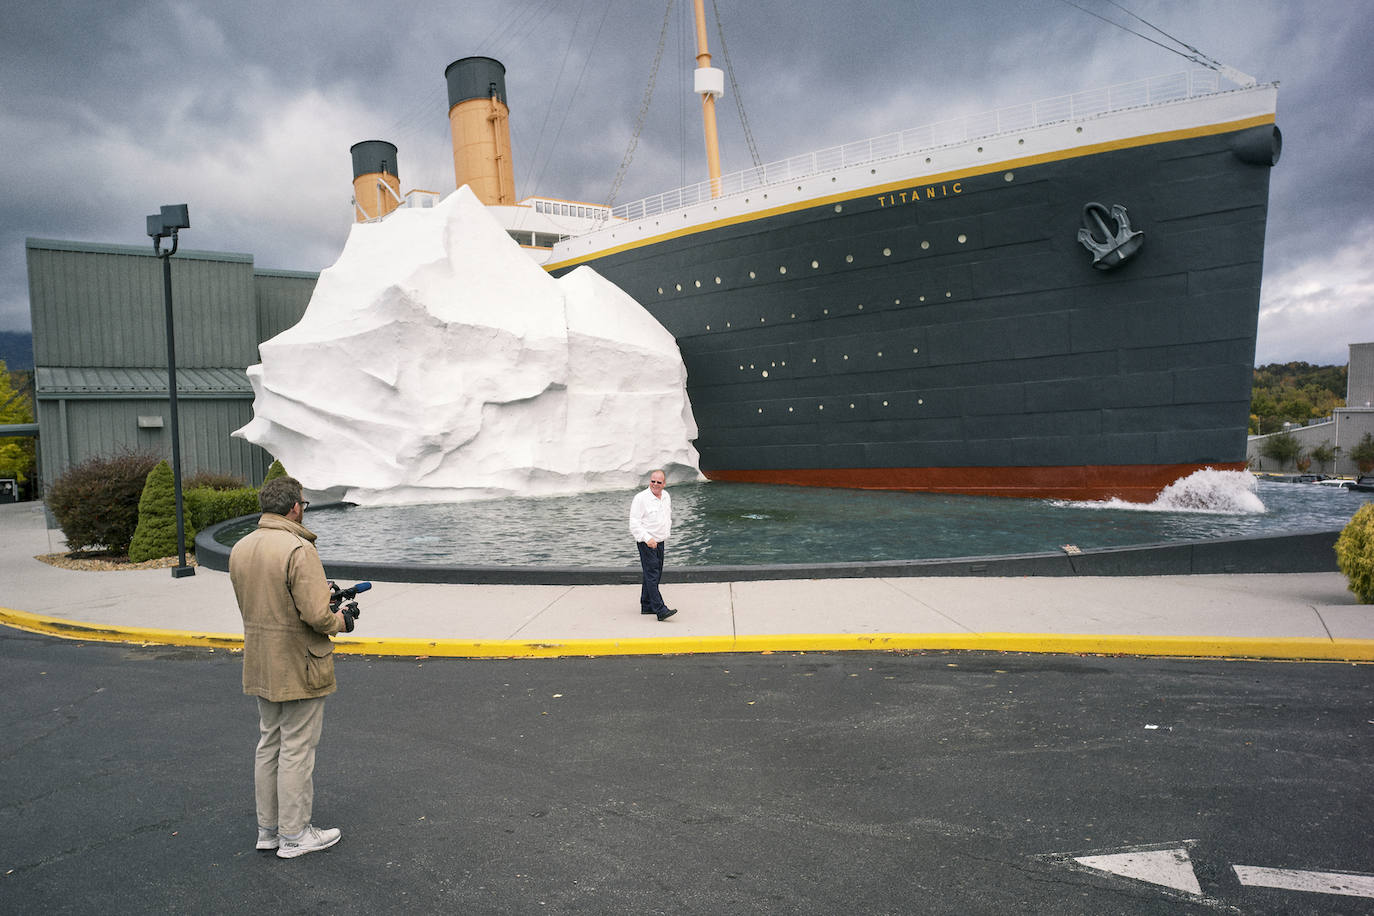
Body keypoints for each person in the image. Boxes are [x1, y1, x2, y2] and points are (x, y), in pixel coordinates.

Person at [229, 475, 346, 859]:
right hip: (299, 664)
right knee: (297, 748)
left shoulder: (242, 547)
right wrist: (341, 619)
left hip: (261, 661)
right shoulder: (298, 548)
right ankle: (295, 836)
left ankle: (269, 830)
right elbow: (316, 616)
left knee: (270, 743)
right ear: (295, 506)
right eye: (304, 506)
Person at [629, 469, 676, 621]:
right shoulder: (641, 498)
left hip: (660, 541)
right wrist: (647, 538)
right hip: (647, 542)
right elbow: (634, 523)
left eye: (659, 482)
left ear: (664, 484)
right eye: (652, 481)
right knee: (652, 574)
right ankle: (660, 609)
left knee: (653, 573)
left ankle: (647, 604)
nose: (655, 484)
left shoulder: (666, 496)